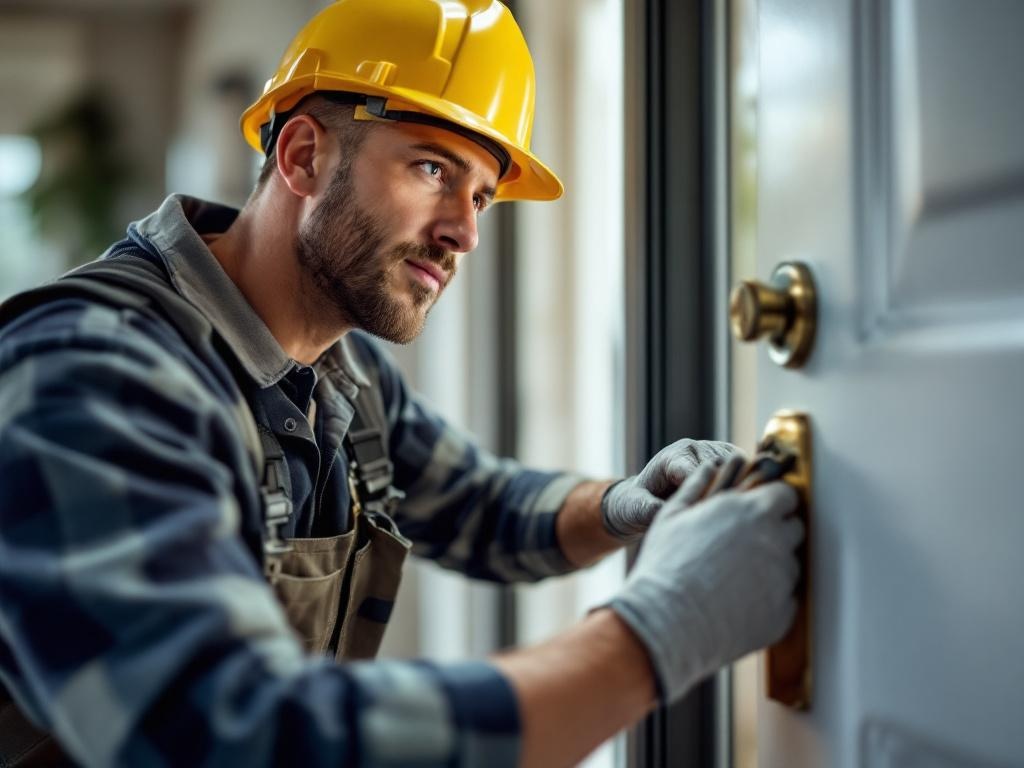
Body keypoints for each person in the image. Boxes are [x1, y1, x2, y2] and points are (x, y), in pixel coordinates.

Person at [0, 1, 803, 766]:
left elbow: (478, 507)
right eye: (432, 168)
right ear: (304, 155)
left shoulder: (341, 373)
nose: (466, 231)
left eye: (482, 195)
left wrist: (629, 502)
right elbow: (230, 735)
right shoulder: (98, 374)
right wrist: (659, 634)